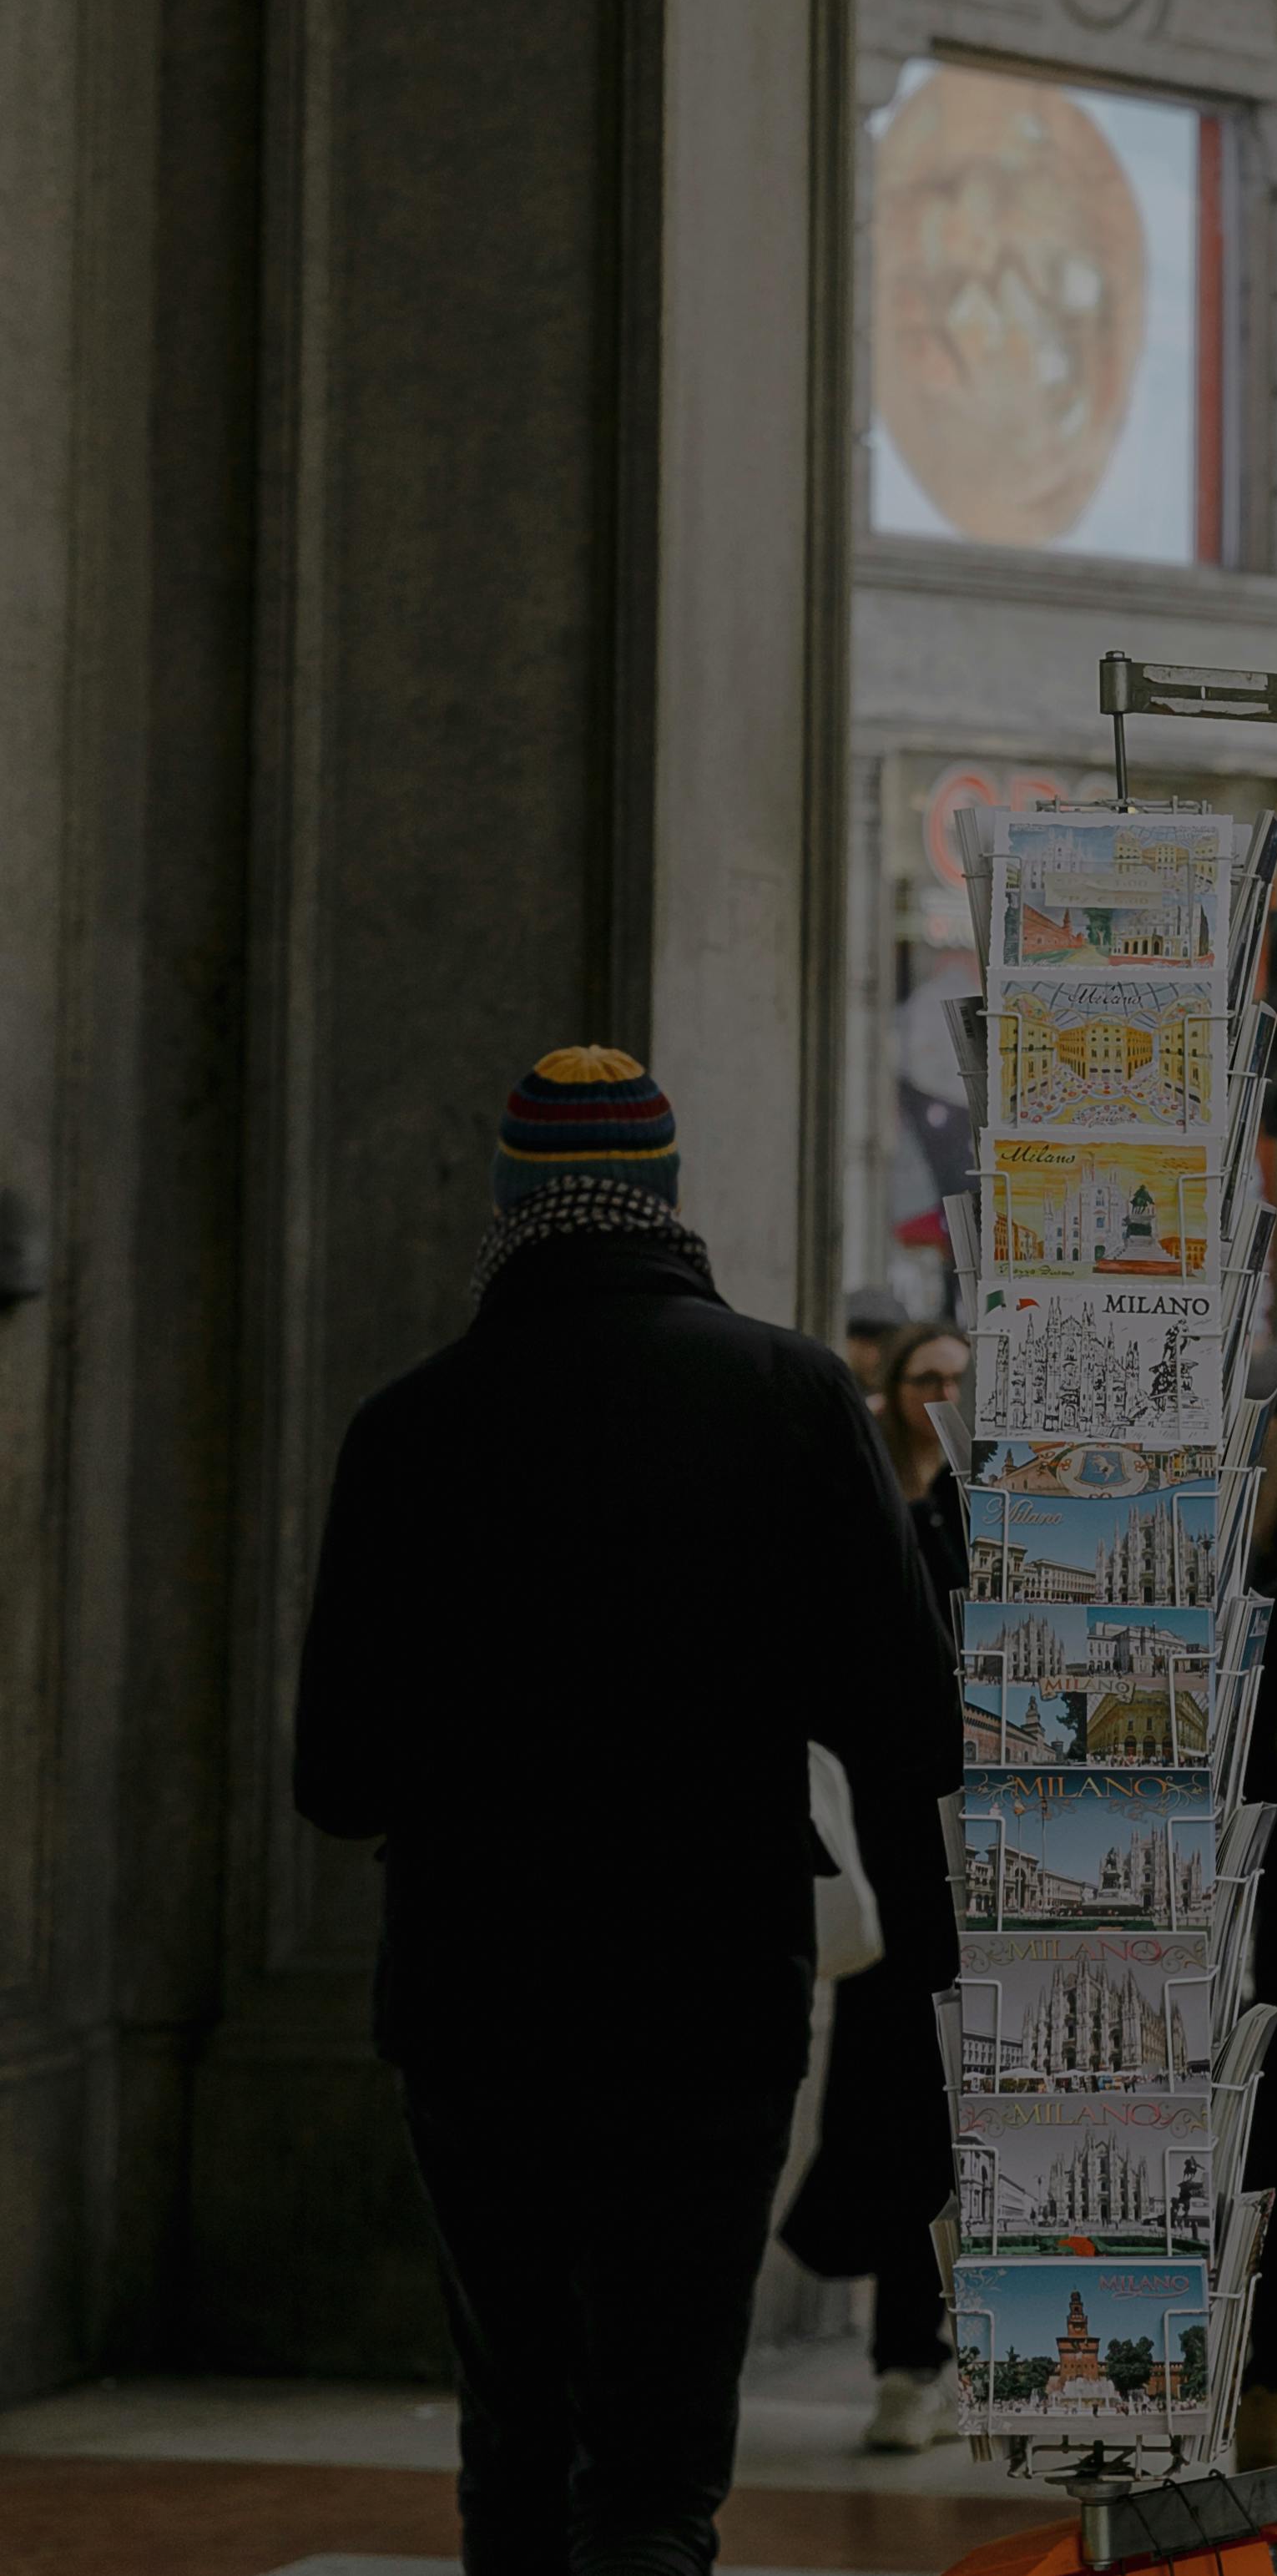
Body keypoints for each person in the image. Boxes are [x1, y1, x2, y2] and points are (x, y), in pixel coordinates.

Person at [295, 1048, 962, 2576]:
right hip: (710, 1981)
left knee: (514, 2418)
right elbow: (910, 1726)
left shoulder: (407, 1425)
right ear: (665, 1197)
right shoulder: (789, 1391)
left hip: (474, 1987)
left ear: (512, 1205)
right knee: (657, 2457)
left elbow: (333, 1778)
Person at [785, 1315, 972, 2448]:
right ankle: (904, 2356)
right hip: (882, 1845)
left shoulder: (985, 1510)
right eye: (923, 1375)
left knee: (952, 2109)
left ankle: (931, 2347)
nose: (937, 1393)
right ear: (891, 1387)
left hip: (967, 1849)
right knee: (892, 2096)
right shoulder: (854, 1513)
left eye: (956, 1377)